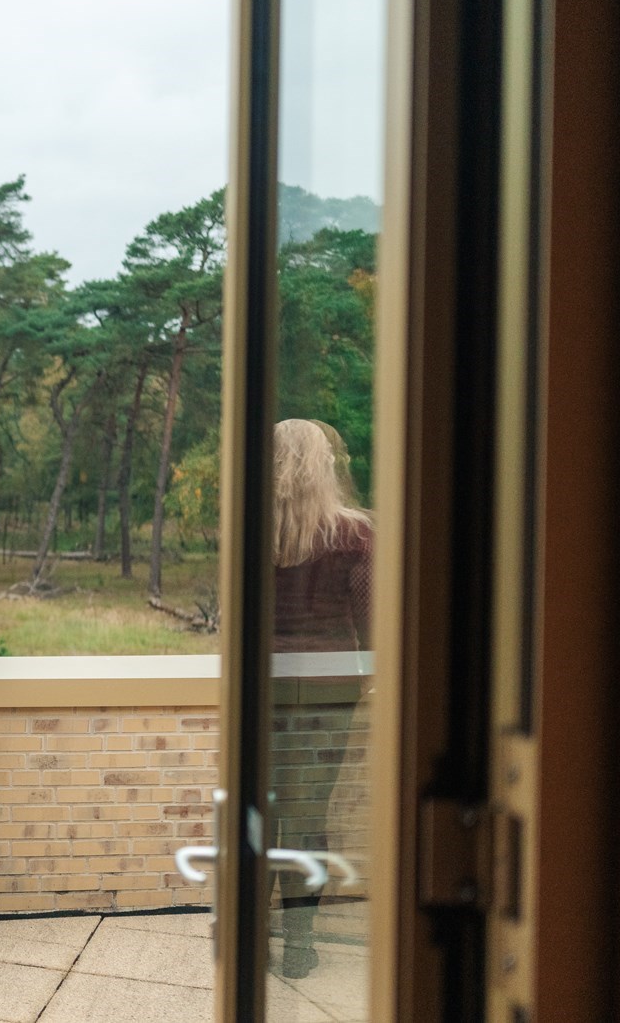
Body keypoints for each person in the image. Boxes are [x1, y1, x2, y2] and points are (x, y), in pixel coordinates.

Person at [270, 418, 373, 979]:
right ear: (323, 466)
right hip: (330, 691)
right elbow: (374, 623)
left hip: (262, 686)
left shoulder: (250, 530)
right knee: (308, 815)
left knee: (259, 810)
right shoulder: (354, 534)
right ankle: (301, 944)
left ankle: (252, 936)